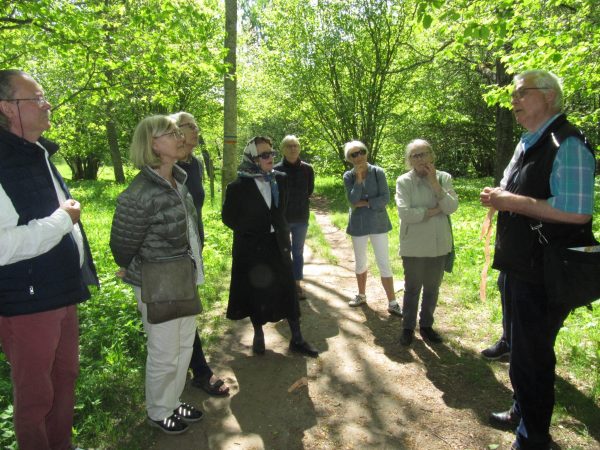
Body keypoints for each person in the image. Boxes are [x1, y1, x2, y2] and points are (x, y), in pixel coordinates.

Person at [481, 70, 595, 450]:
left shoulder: (567, 144)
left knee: (533, 354)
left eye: (520, 93)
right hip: (519, 265)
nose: (513, 100)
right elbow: (524, 190)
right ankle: (521, 410)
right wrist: (501, 192)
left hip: (545, 272)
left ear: (547, 96)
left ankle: (534, 436)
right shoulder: (528, 142)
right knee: (519, 347)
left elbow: (577, 212)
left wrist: (507, 201)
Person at [0, 69, 98, 450]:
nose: (47, 104)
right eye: (36, 98)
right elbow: (3, 247)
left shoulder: (37, 152)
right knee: (35, 395)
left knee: (65, 377)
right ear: (8, 107)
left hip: (59, 291)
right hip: (26, 303)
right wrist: (63, 220)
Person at [110, 115, 204, 435]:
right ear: (152, 144)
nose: (180, 137)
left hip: (183, 275)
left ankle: (173, 401)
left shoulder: (179, 178)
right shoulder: (139, 193)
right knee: (164, 350)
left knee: (184, 345)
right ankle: (158, 409)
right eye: (171, 133)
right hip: (157, 281)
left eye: (179, 132)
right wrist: (137, 268)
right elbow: (122, 245)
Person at [222, 136, 318, 357]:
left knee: (288, 288)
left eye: (271, 153)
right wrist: (255, 229)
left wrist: (278, 228)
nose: (270, 158)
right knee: (258, 291)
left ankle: (297, 338)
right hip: (253, 248)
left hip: (278, 245)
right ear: (252, 158)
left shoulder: (280, 179)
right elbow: (228, 218)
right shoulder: (237, 186)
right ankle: (258, 333)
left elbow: (280, 210)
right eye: (264, 154)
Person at [170, 112, 229, 397]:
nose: (196, 130)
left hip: (195, 243)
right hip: (172, 251)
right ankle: (199, 370)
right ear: (174, 132)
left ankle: (190, 368)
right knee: (183, 310)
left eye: (196, 125)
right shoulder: (163, 166)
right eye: (188, 126)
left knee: (188, 309)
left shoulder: (195, 165)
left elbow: (196, 208)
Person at [395, 139, 458, 346]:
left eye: (424, 154)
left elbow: (451, 207)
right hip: (413, 244)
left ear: (432, 156)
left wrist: (434, 183)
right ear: (409, 161)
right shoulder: (404, 181)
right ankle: (407, 327)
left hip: (438, 244)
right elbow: (405, 214)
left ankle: (426, 326)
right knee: (412, 287)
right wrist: (434, 211)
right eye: (416, 156)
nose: (421, 159)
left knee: (432, 287)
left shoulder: (444, 178)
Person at [343, 140, 402, 317]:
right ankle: (361, 295)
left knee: (383, 261)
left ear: (366, 153)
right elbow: (352, 200)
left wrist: (366, 203)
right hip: (358, 224)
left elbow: (385, 198)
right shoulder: (348, 176)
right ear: (349, 158)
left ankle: (392, 302)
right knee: (360, 261)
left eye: (361, 152)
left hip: (378, 223)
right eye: (354, 154)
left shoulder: (378, 172)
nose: (359, 156)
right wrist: (359, 180)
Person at [274, 135, 314, 300]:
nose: (292, 148)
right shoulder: (275, 170)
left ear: (299, 148)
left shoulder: (307, 169)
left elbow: (309, 190)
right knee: (282, 252)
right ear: (283, 149)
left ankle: (297, 285)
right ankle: (283, 285)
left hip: (301, 217)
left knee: (297, 252)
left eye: (295, 145)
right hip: (282, 219)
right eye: (289, 146)